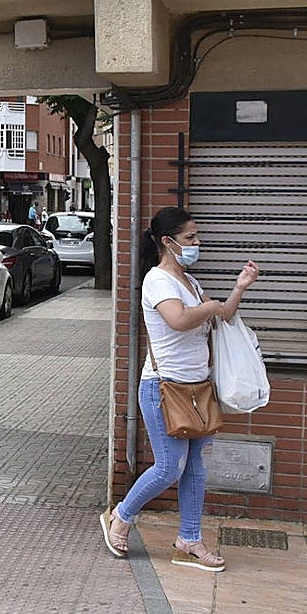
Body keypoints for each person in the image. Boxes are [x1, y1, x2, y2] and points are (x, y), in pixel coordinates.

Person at [101, 206, 259, 573]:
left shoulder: (190, 282)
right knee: (170, 466)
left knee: (195, 468)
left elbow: (223, 317)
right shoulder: (158, 281)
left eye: (196, 237)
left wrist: (238, 289)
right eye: (190, 238)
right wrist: (211, 307)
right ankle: (121, 517)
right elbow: (179, 320)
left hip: (197, 388)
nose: (197, 244)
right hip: (163, 388)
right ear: (167, 242)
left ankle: (189, 537)